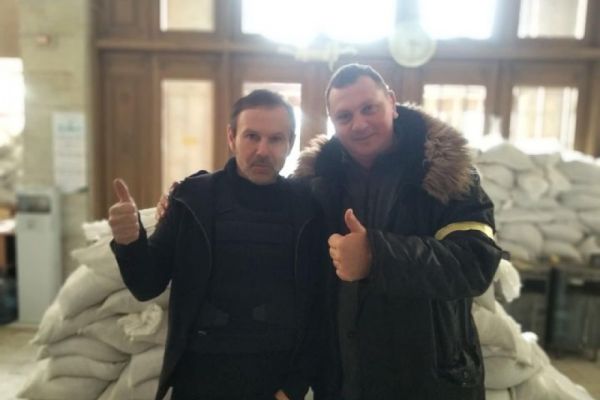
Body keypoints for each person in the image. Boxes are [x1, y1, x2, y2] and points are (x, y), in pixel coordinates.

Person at [293, 64, 503, 399]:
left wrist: (376, 257)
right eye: (344, 116)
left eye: (369, 108)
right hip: (343, 382)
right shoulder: (316, 183)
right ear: (332, 121)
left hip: (429, 381)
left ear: (392, 102)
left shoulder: (446, 175)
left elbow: (475, 263)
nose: (359, 124)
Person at [109, 89, 325, 400]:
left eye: (276, 139)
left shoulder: (308, 208)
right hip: (199, 377)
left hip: (276, 378)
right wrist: (129, 241)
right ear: (231, 137)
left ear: (290, 143)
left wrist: (294, 387)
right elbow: (146, 285)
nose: (263, 150)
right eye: (252, 136)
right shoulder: (193, 199)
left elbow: (319, 306)